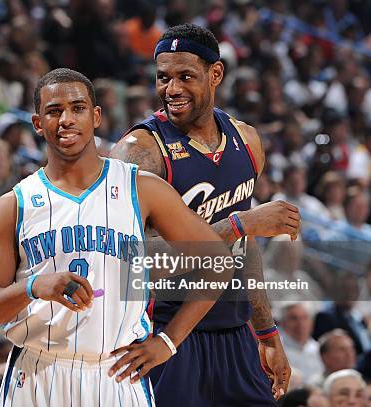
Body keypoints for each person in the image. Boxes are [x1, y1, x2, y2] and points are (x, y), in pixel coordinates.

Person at [0, 68, 235, 406]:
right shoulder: (13, 206)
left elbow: (219, 260)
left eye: (77, 108)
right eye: (53, 111)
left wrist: (168, 341)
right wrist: (34, 286)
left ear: (95, 117)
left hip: (116, 375)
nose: (66, 119)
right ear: (37, 123)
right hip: (37, 375)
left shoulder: (142, 189)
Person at [110, 24, 300, 406]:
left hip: (235, 333)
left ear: (215, 74)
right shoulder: (140, 151)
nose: (172, 89)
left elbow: (243, 251)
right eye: (163, 78)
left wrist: (266, 334)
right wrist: (237, 225)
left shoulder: (246, 141)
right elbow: (130, 265)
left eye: (185, 77)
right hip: (164, 336)